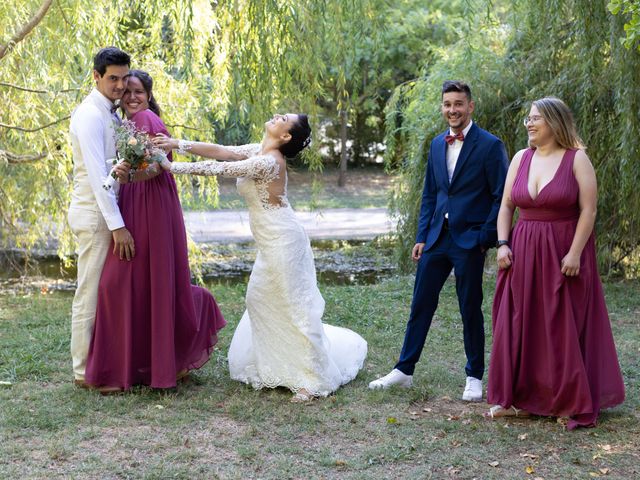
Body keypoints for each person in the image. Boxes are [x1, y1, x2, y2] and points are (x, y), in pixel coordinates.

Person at [154, 114, 368, 402]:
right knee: (258, 298)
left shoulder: (268, 162)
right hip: (270, 241)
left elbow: (224, 168)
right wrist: (177, 143)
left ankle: (311, 379)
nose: (278, 115)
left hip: (283, 240)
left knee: (294, 305)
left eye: (285, 118)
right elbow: (221, 151)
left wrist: (169, 166)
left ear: (286, 136)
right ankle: (278, 366)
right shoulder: (260, 149)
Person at [485, 97, 625, 429]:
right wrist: (502, 244)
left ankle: (566, 400)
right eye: (528, 120)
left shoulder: (578, 160)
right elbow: (506, 207)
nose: (530, 125)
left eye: (536, 119)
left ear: (555, 123)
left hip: (563, 252)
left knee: (560, 326)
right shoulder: (520, 158)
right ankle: (519, 399)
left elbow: (588, 211)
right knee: (520, 323)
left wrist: (575, 252)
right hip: (522, 252)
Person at [83, 70, 227, 393]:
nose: (132, 97)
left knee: (119, 282)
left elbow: (152, 168)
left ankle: (140, 367)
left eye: (139, 92)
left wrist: (127, 176)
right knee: (141, 283)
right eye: (127, 92)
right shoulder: (126, 124)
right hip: (140, 203)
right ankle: (155, 364)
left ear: (148, 96)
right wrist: (122, 173)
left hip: (152, 206)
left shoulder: (147, 118)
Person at [368, 80, 508, 401]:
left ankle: (474, 376)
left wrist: (485, 238)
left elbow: (501, 197)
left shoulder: (490, 145)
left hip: (469, 240)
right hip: (436, 239)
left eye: (458, 104)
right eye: (447, 104)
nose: (452, 110)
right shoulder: (436, 144)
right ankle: (404, 370)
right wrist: (422, 236)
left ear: (470, 106)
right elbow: (431, 193)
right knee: (421, 304)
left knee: (469, 306)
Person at [68, 47, 135, 388]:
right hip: (94, 214)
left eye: (124, 78)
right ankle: (82, 371)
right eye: (113, 79)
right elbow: (96, 175)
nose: (121, 86)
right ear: (96, 76)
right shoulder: (90, 115)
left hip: (104, 211)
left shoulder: (111, 113)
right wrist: (118, 225)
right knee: (90, 291)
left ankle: (101, 362)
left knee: (104, 290)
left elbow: (108, 169)